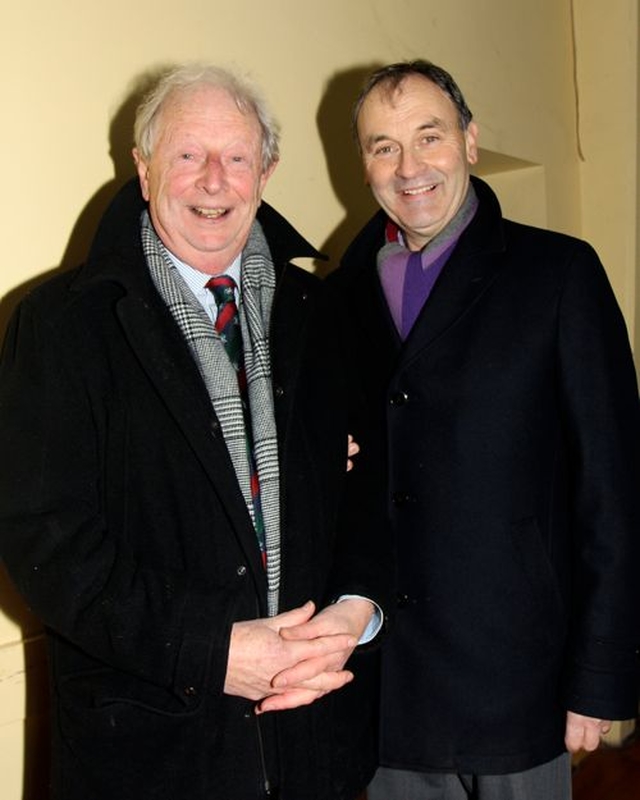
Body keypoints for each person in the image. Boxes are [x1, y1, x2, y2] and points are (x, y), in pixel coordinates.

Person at [0, 64, 389, 800]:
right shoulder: (60, 328)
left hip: (317, 739)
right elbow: (48, 548)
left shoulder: (323, 311)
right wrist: (211, 650)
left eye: (237, 157)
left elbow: (369, 486)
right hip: (151, 752)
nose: (215, 180)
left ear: (265, 172)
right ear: (144, 170)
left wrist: (354, 611)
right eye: (187, 155)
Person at [327, 59, 640, 800]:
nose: (409, 168)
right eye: (382, 146)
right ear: (363, 165)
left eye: (429, 137)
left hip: (517, 682)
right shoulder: (338, 296)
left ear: (470, 141)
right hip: (384, 693)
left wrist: (599, 676)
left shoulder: (558, 274)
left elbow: (614, 487)